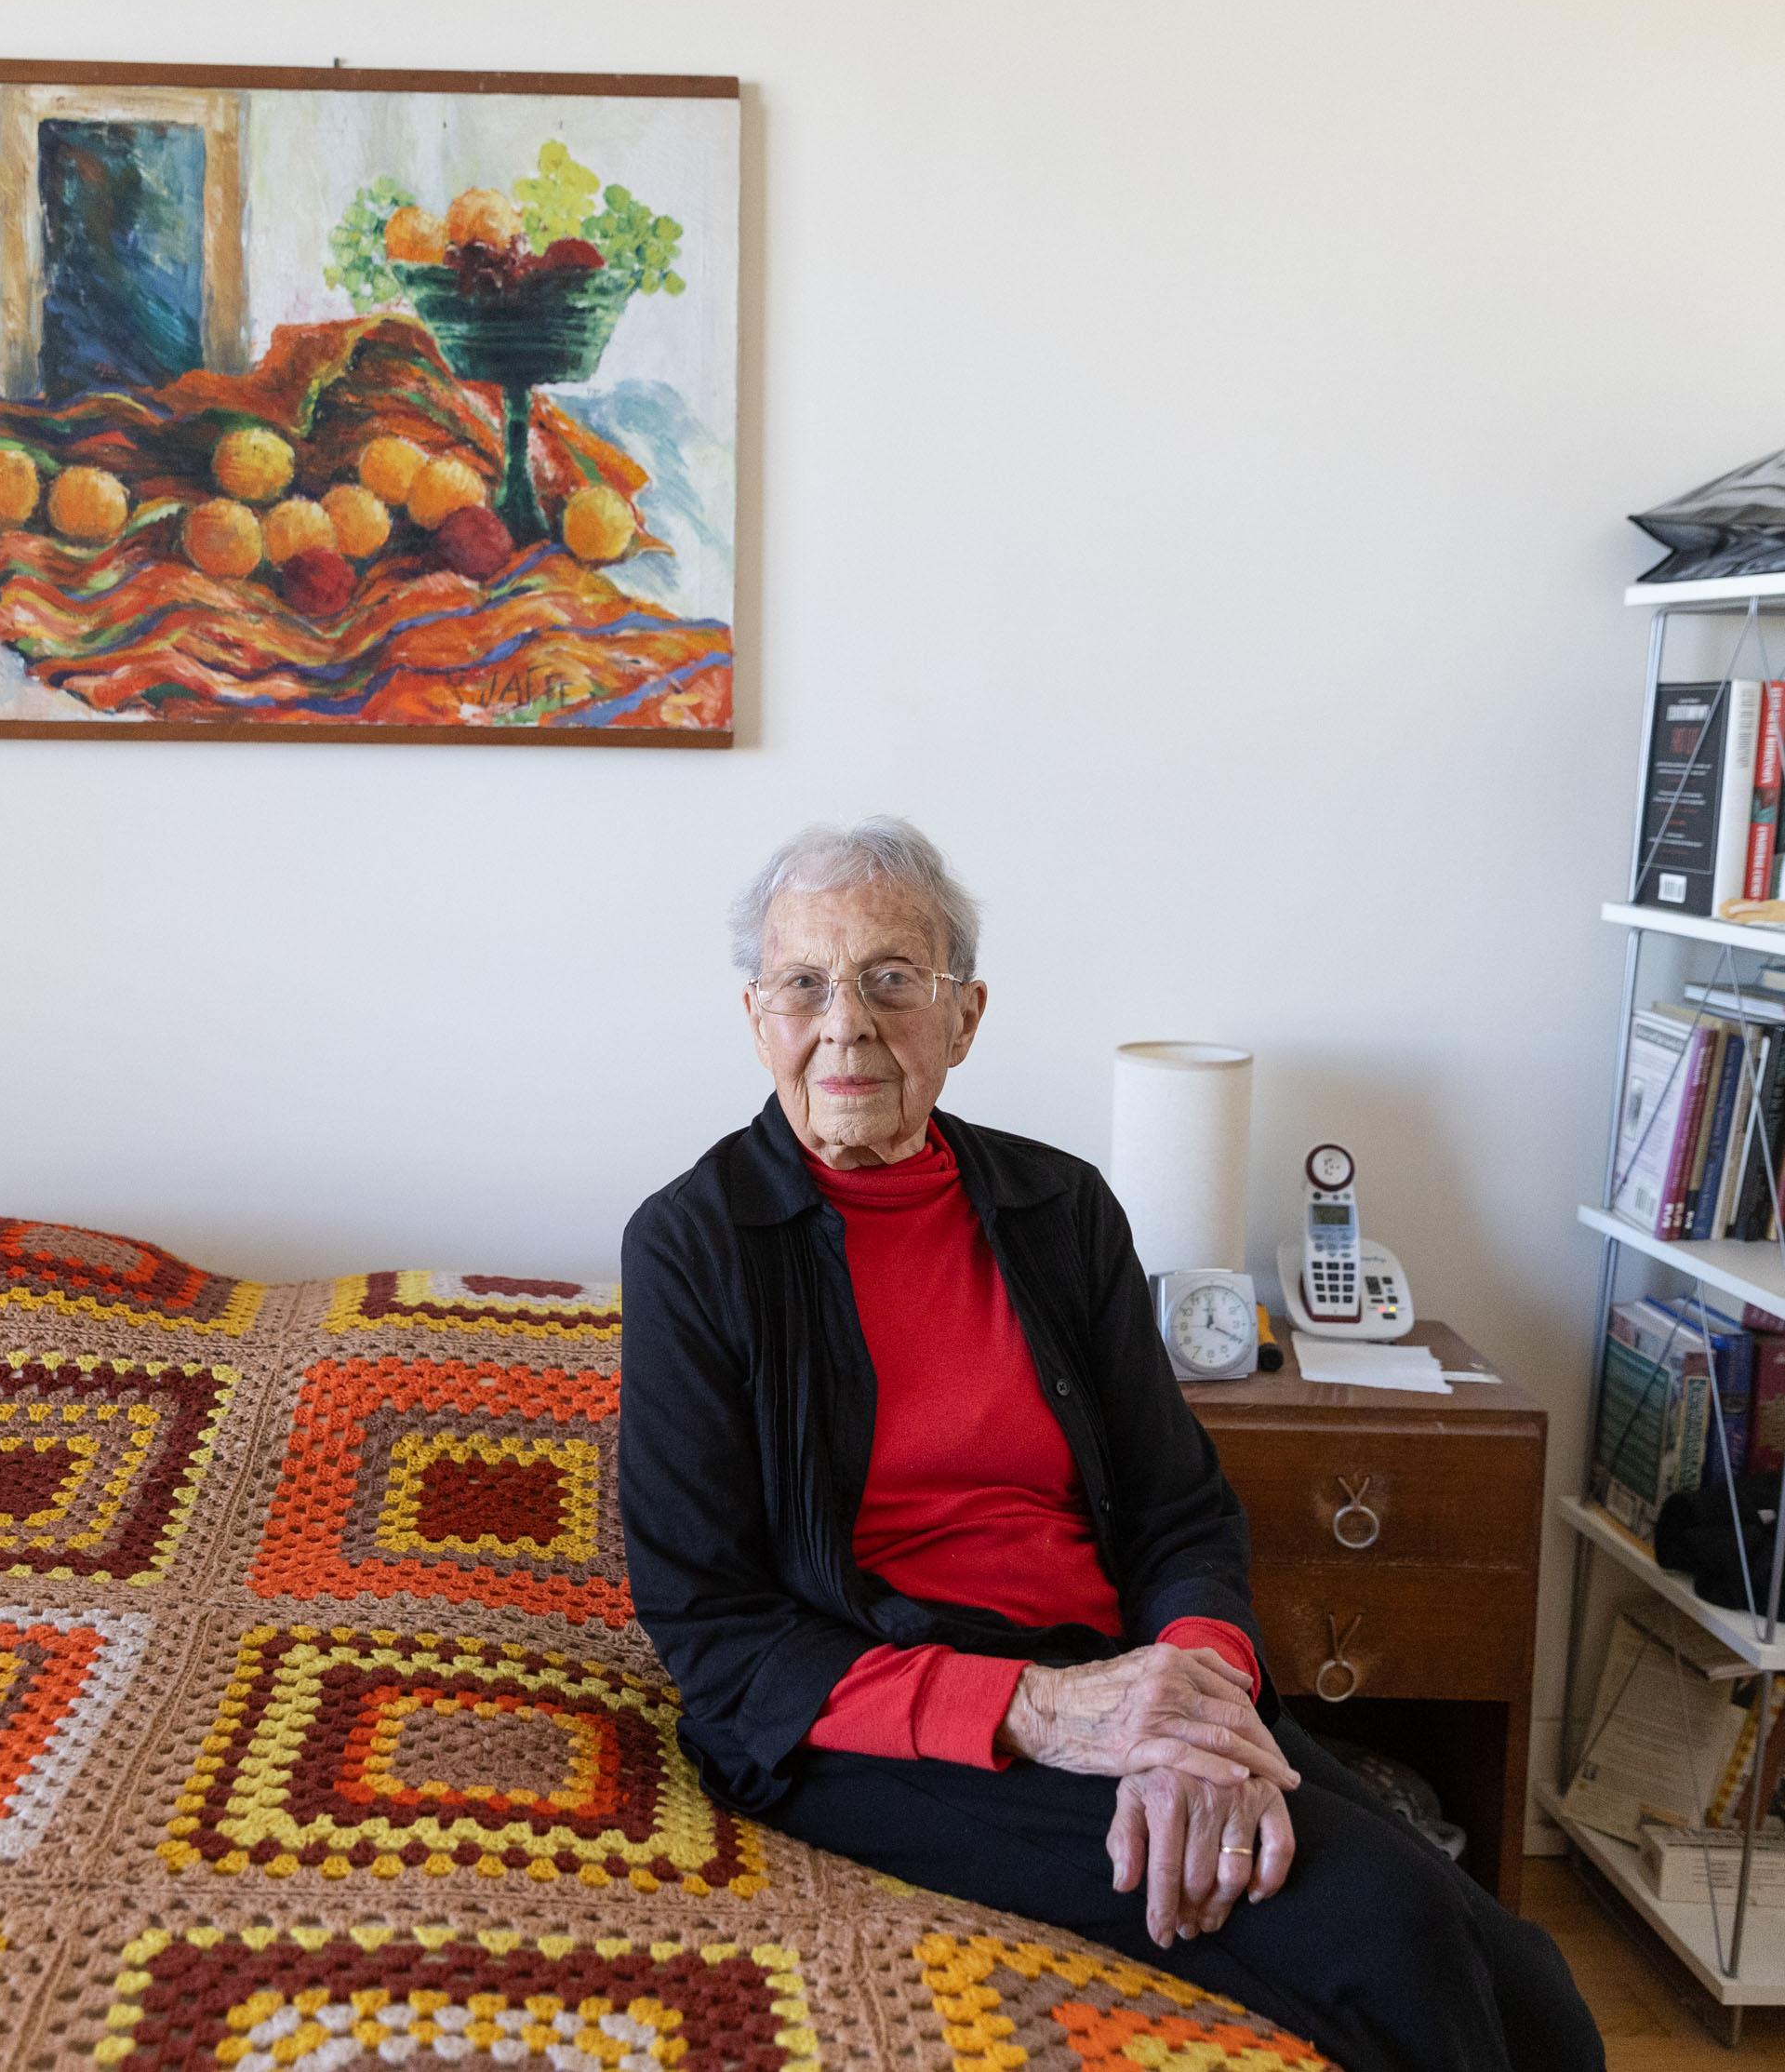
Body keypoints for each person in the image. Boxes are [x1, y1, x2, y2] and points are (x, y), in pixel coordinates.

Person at [619, 818, 1599, 2072]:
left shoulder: (1058, 1208)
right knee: (1389, 1927)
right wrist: (1052, 1711)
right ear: (758, 1014)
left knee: (1536, 1982)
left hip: (1128, 1669)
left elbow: (1179, 1510)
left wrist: (1190, 1691)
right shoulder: (696, 1245)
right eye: (805, 982)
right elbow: (717, 1632)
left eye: (892, 978)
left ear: (965, 1015)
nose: (847, 1021)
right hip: (873, 1716)